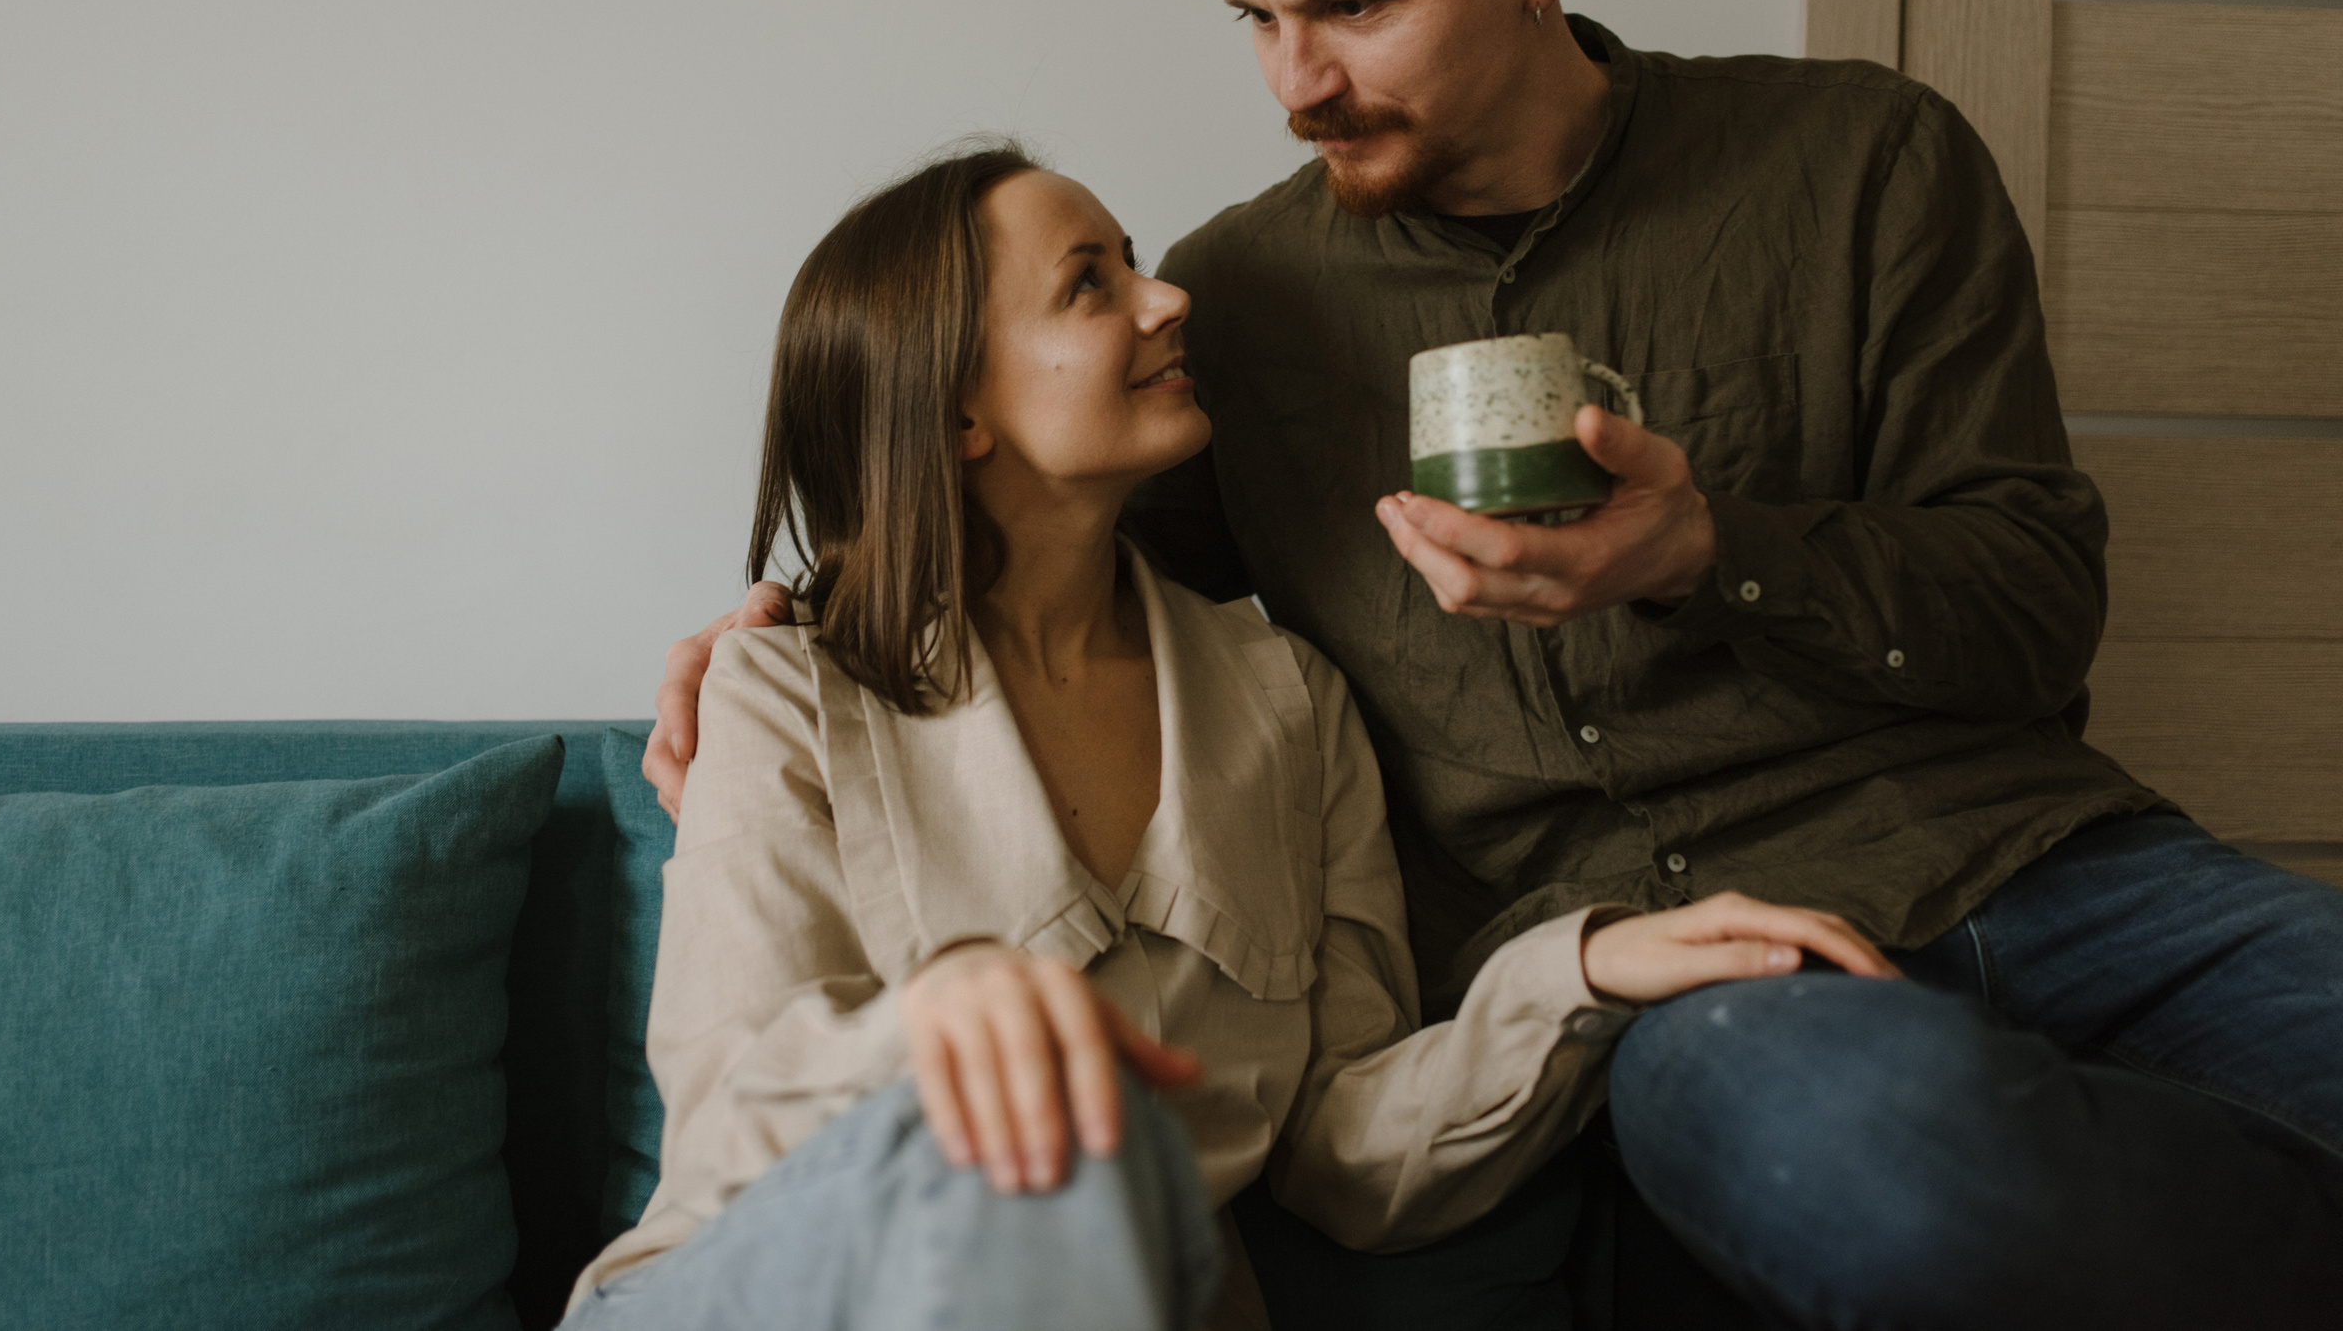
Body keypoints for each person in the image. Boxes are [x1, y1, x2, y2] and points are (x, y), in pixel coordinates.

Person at [645, 0, 2343, 1331]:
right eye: (1256, 13)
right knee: (1902, 1172)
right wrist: (796, 622)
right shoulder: (1235, 311)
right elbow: (1018, 548)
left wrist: (1709, 550)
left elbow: (2039, 598)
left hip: (2040, 862)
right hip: (1715, 978)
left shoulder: (1863, 164)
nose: (1292, 81)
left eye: (1355, 8)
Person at [571, 145, 1891, 1331]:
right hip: (755, 1289)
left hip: (1120, 1290)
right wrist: (934, 1028)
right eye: (1093, 285)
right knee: (1069, 1143)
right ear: (958, 409)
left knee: (1114, 1159)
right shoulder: (784, 691)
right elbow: (731, 1113)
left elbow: (1341, 1143)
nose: (1167, 299)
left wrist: (1584, 969)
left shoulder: (1287, 701)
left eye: (1136, 262)